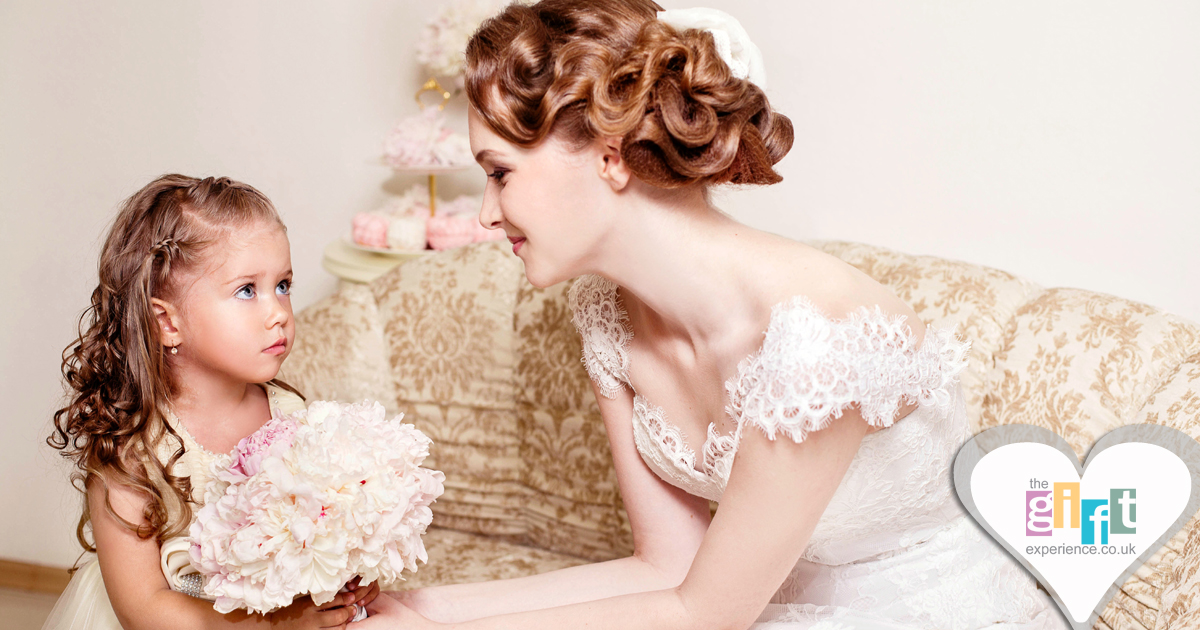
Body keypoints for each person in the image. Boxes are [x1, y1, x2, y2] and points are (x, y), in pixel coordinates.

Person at [358, 1, 1070, 629]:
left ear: (609, 158)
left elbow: (706, 612)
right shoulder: (606, 315)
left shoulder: (817, 335)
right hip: (744, 599)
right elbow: (666, 568)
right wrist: (422, 606)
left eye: (499, 172)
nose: (485, 213)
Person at [44, 175, 379, 630]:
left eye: (283, 285)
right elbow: (143, 609)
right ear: (167, 323)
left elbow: (309, 543)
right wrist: (280, 625)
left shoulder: (293, 419)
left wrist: (342, 581)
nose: (278, 311)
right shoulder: (134, 453)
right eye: (247, 290)